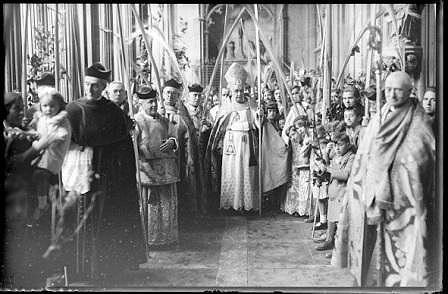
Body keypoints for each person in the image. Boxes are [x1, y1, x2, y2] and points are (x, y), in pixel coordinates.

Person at [332, 71, 436, 287]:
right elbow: (365, 153)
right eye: (388, 89)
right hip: (375, 193)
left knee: (399, 256)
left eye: (398, 90)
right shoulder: (380, 115)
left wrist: (395, 167)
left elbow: (420, 152)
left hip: (401, 196)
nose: (392, 94)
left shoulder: (419, 121)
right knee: (375, 251)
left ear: (409, 91)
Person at [62, 62, 146, 283]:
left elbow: (124, 145)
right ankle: (80, 269)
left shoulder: (113, 112)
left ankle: (106, 267)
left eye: (97, 86)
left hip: (107, 178)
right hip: (81, 176)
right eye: (88, 84)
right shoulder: (73, 110)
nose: (91, 90)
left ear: (104, 87)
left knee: (104, 220)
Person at [3, 92, 65, 288]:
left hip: (30, 189)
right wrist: (39, 146)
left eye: (23, 107)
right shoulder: (6, 133)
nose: (23, 111)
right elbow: (13, 163)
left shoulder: (23, 129)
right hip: (13, 192)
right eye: (17, 108)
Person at [205, 63, 262, 214]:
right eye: (236, 91)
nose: (239, 94)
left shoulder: (251, 104)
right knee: (232, 173)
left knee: (247, 173)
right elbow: (218, 128)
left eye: (241, 90)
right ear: (231, 90)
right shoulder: (226, 106)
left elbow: (257, 124)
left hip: (247, 144)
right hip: (231, 146)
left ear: (245, 90)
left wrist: (259, 118)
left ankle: (247, 204)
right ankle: (231, 204)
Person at [134, 86, 180, 252]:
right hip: (148, 171)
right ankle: (151, 240)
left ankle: (167, 238)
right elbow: (134, 148)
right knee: (151, 205)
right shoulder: (136, 121)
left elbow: (173, 137)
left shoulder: (163, 120)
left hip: (167, 170)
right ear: (141, 103)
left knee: (167, 204)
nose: (154, 105)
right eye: (149, 102)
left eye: (155, 101)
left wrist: (173, 143)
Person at [161, 79, 204, 216]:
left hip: (178, 160)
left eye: (174, 94)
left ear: (178, 96)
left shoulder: (182, 116)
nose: (170, 96)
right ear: (162, 94)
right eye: (167, 93)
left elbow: (189, 140)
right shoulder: (156, 112)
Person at [30, 87, 71, 220]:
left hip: (54, 155)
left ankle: (43, 204)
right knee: (37, 176)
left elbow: (63, 134)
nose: (48, 109)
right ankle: (44, 200)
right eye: (45, 106)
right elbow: (36, 131)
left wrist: (46, 140)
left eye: (52, 106)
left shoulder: (61, 119)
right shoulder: (42, 119)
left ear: (59, 106)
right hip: (44, 154)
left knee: (40, 174)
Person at [315, 133, 354, 256]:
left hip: (342, 193)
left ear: (348, 144)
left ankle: (339, 249)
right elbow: (327, 169)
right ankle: (329, 240)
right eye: (336, 145)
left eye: (341, 145)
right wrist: (321, 170)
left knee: (340, 222)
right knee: (331, 219)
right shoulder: (335, 157)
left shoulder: (351, 157)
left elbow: (345, 175)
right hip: (333, 192)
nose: (337, 148)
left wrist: (329, 169)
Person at [281, 115, 312, 217]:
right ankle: (296, 208)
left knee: (305, 187)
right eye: (290, 136)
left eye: (293, 134)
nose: (292, 138)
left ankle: (306, 210)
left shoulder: (307, 139)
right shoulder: (294, 142)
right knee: (295, 186)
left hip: (307, 167)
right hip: (296, 166)